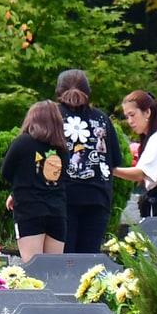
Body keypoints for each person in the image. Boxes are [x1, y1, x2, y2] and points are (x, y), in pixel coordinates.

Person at [56, 70, 122, 253]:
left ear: (58, 91)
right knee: (90, 259)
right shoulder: (102, 118)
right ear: (88, 91)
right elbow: (115, 159)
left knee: (64, 258)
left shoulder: (52, 116)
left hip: (62, 195)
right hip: (97, 197)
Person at [0, 100, 69, 261]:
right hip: (57, 213)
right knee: (54, 270)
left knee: (32, 268)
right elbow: (61, 178)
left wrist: (18, 191)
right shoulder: (62, 149)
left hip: (29, 211)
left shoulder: (23, 142)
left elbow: (6, 172)